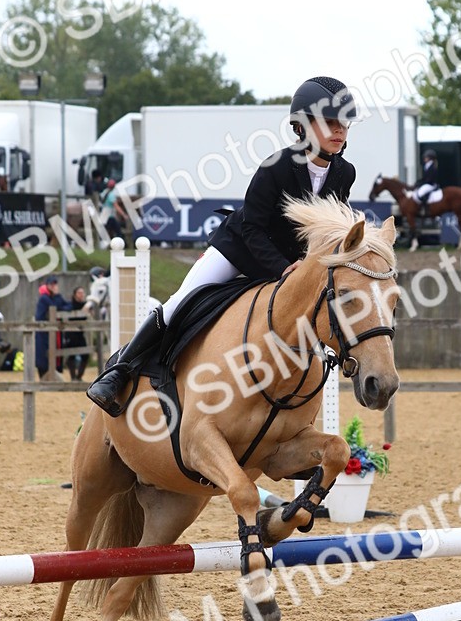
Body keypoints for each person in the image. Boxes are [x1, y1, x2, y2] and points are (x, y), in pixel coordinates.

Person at [87, 74, 358, 415]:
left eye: (344, 124)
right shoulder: (276, 167)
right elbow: (252, 228)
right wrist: (282, 268)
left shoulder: (344, 173)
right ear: (302, 126)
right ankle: (119, 371)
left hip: (292, 265)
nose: (339, 130)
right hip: (240, 249)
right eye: (329, 122)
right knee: (179, 302)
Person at [35, 276, 74, 379]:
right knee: (44, 355)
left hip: (54, 332)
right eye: (52, 284)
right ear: (47, 286)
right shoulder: (44, 298)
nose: (54, 286)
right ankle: (44, 376)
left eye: (55, 284)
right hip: (44, 332)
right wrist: (61, 308)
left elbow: (68, 306)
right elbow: (56, 307)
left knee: (55, 351)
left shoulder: (56, 297)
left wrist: (62, 308)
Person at [62, 286, 92, 380]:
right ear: (75, 294)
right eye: (79, 293)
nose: (81, 294)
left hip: (80, 334)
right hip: (70, 334)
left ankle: (79, 376)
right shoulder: (70, 305)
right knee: (71, 355)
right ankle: (73, 377)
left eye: (82, 292)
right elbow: (66, 310)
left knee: (85, 355)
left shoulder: (85, 305)